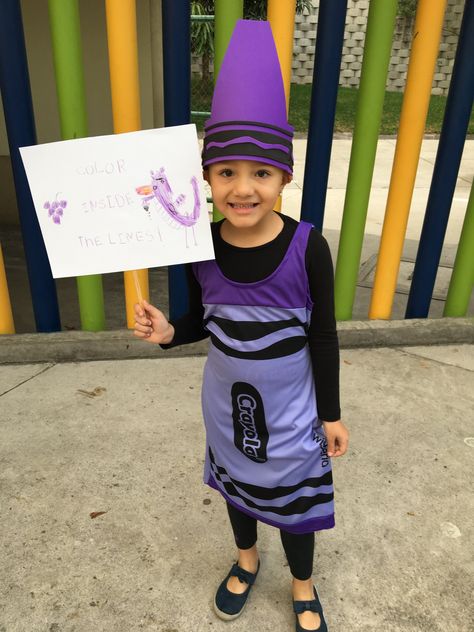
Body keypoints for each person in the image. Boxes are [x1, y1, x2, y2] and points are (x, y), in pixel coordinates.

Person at [133, 20, 349, 632]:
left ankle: (302, 586)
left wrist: (329, 413)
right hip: (227, 405)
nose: (243, 188)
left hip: (293, 409)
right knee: (238, 488)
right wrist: (169, 332)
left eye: (261, 173)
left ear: (284, 177)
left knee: (297, 502)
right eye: (226, 172)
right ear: (207, 180)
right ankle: (246, 559)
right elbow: (203, 319)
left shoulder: (308, 248)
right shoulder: (199, 246)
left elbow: (323, 336)